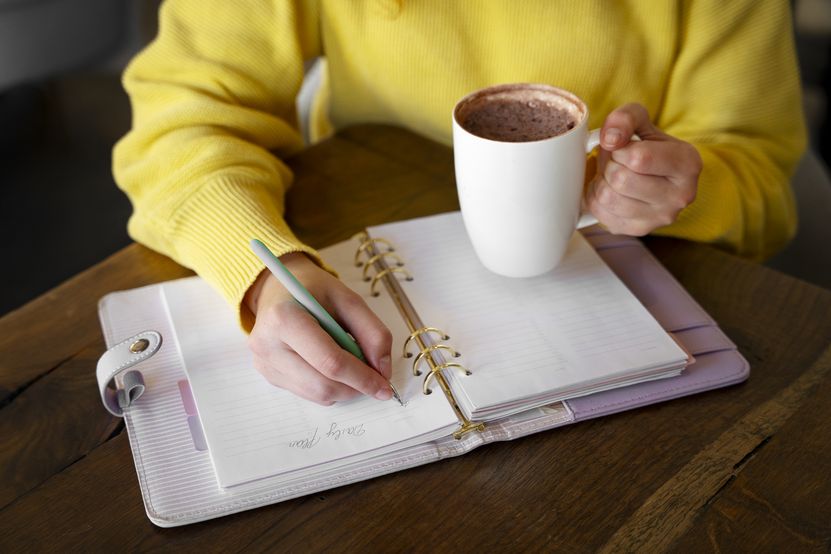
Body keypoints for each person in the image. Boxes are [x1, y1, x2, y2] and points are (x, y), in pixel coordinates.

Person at [113, 0, 806, 405]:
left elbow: (763, 184)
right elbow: (181, 119)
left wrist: (682, 186)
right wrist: (262, 273)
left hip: (635, 305)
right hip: (357, 228)